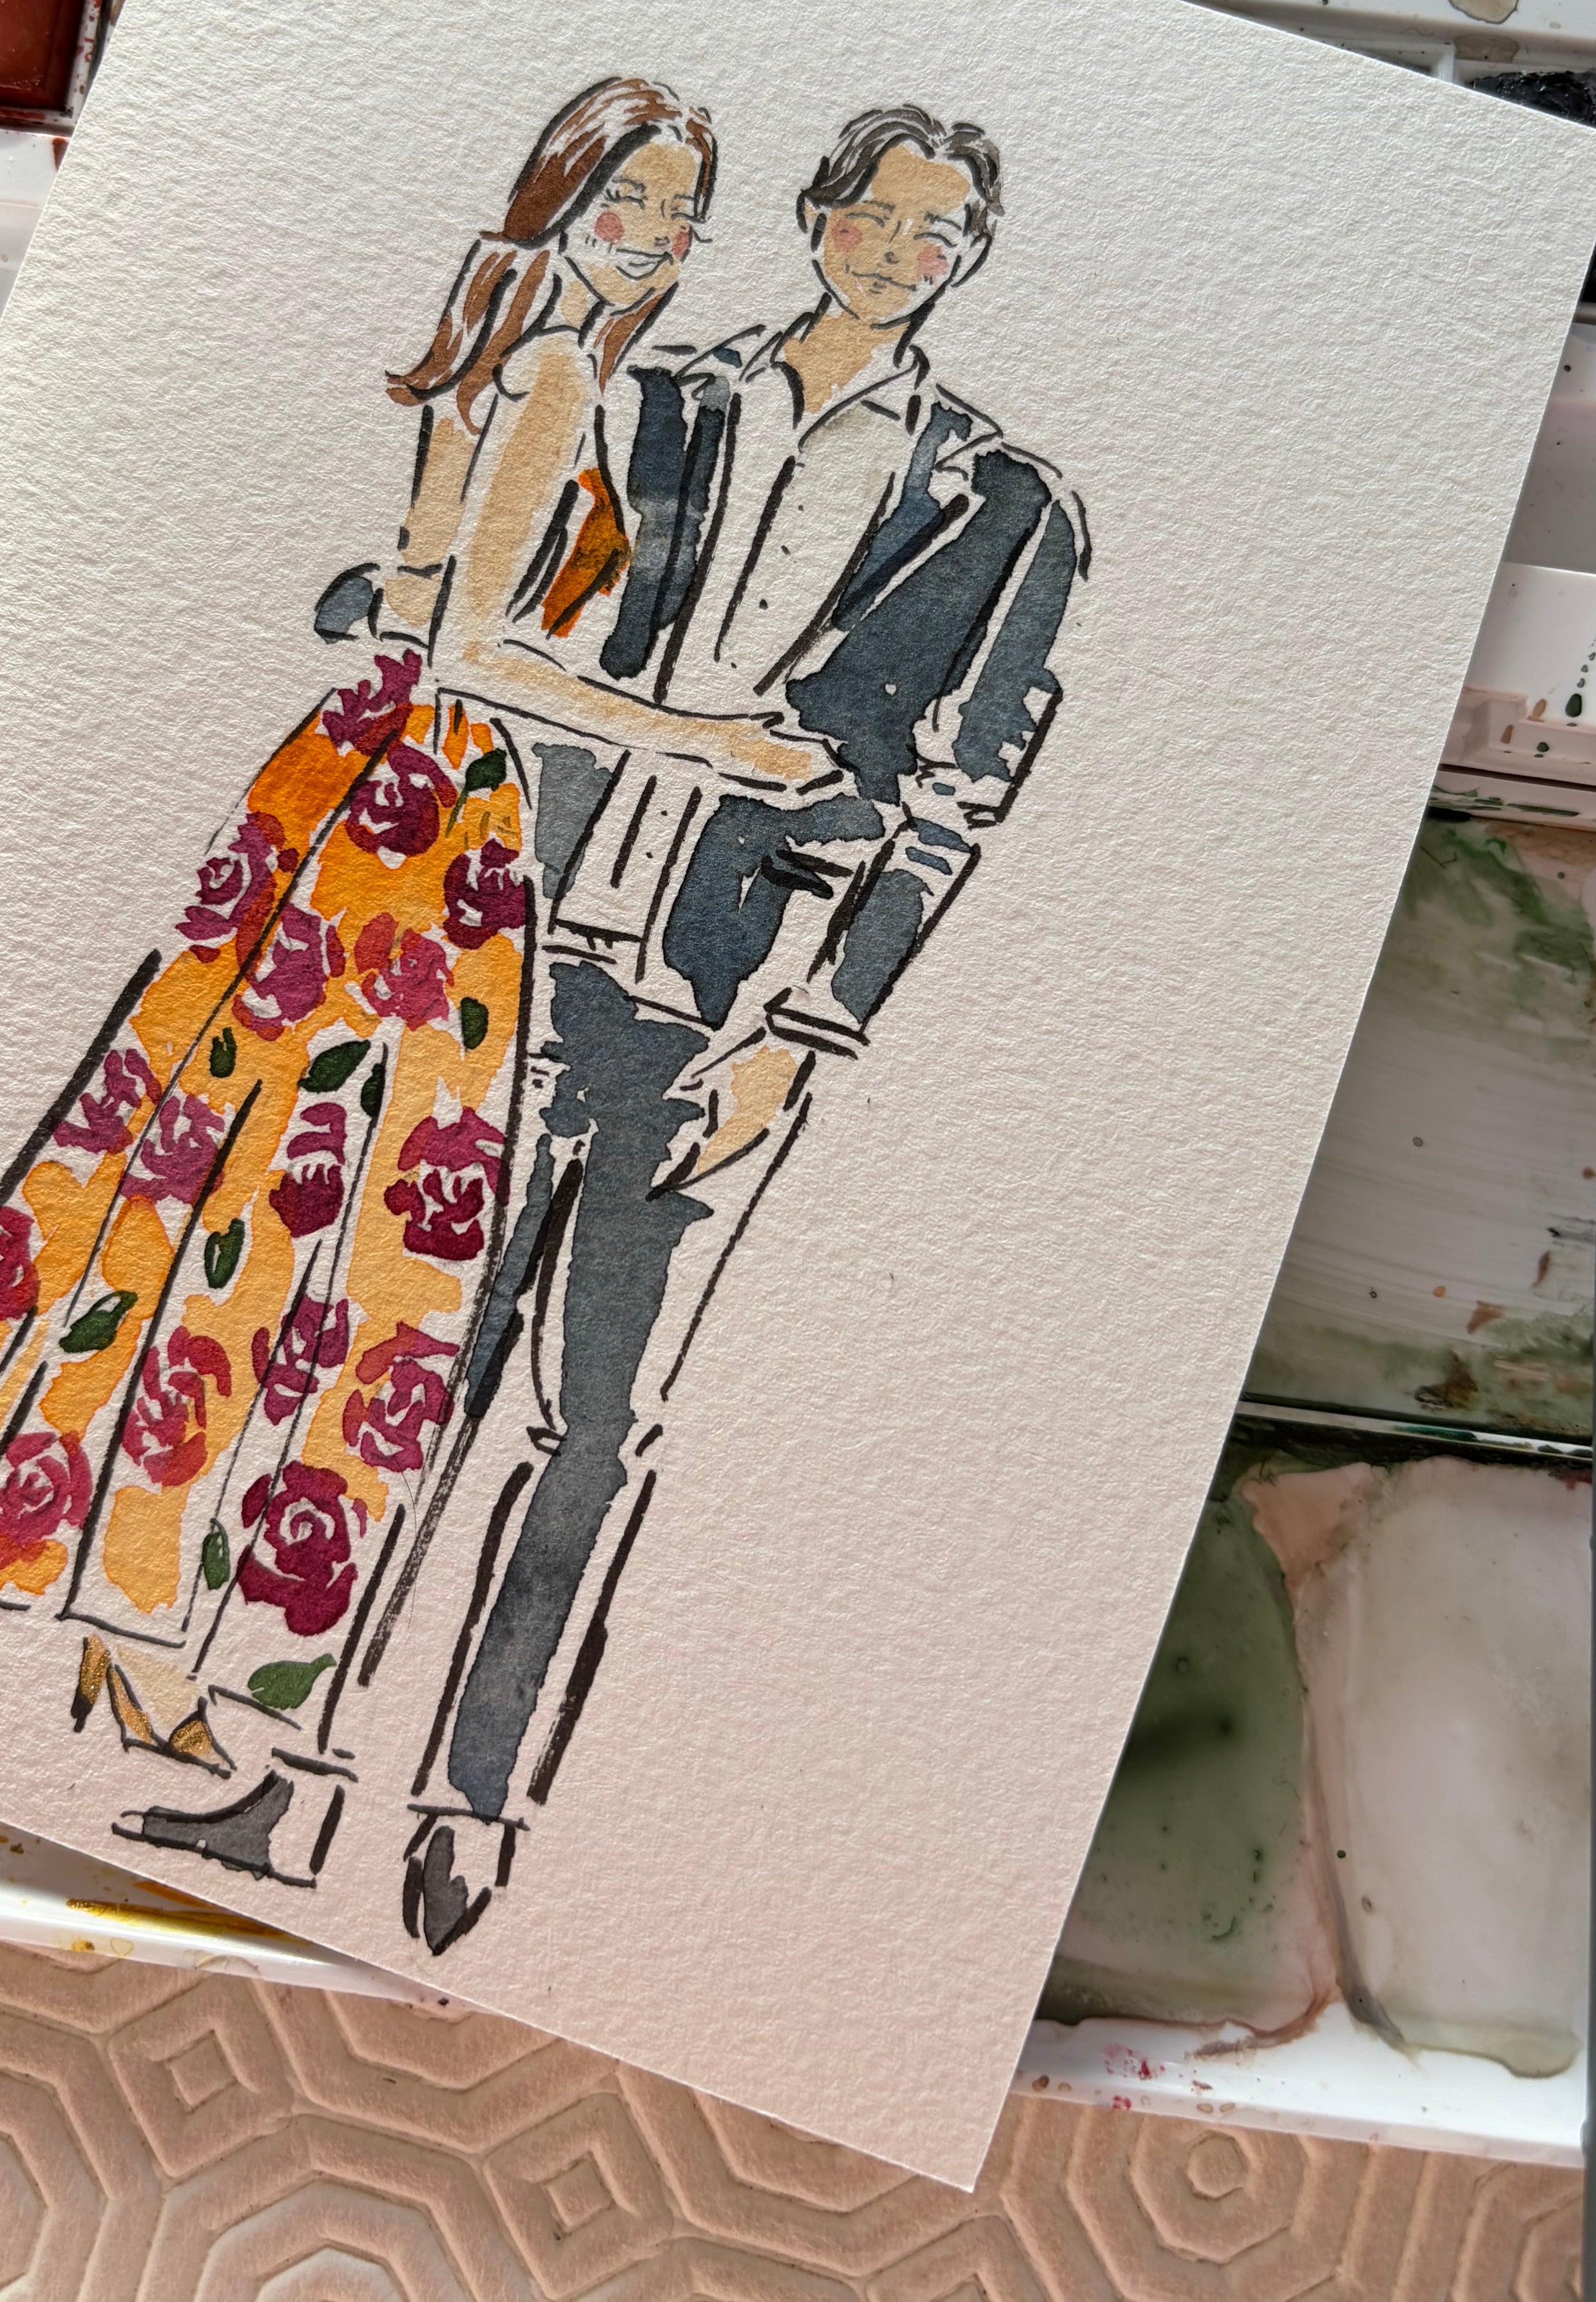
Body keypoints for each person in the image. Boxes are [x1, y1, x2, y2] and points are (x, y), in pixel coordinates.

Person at [0, 79, 823, 1890]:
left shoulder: (495, 340)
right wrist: (709, 744)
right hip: (433, 816)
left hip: (359, 777)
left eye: (680, 213)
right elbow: (481, 646)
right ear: (562, 199)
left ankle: (126, 1617)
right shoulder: (556, 369)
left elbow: (413, 591)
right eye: (629, 202)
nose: (655, 241)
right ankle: (137, 1626)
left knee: (218, 1178)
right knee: (320, 1228)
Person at [392, 104, 1091, 1953]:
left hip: (724, 1006)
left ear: (970, 260)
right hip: (520, 945)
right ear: (815, 215)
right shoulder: (659, 396)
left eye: (943, 236)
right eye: (880, 217)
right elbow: (505, 613)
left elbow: (955, 802)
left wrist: (807, 1027)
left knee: (597, 1416)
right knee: (415, 1362)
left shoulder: (1008, 506)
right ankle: (294, 1754)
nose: (903, 254)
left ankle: (473, 1806)